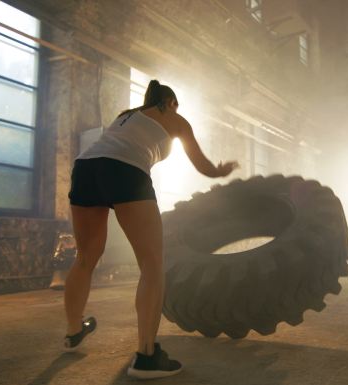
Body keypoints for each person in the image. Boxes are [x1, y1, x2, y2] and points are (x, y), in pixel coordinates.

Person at [63, 79, 239, 379]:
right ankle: (146, 356)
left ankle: (73, 331)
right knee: (152, 263)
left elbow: (111, 149)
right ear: (170, 102)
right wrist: (223, 170)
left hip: (85, 168)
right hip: (125, 170)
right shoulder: (173, 117)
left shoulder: (125, 115)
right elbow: (203, 166)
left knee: (85, 258)